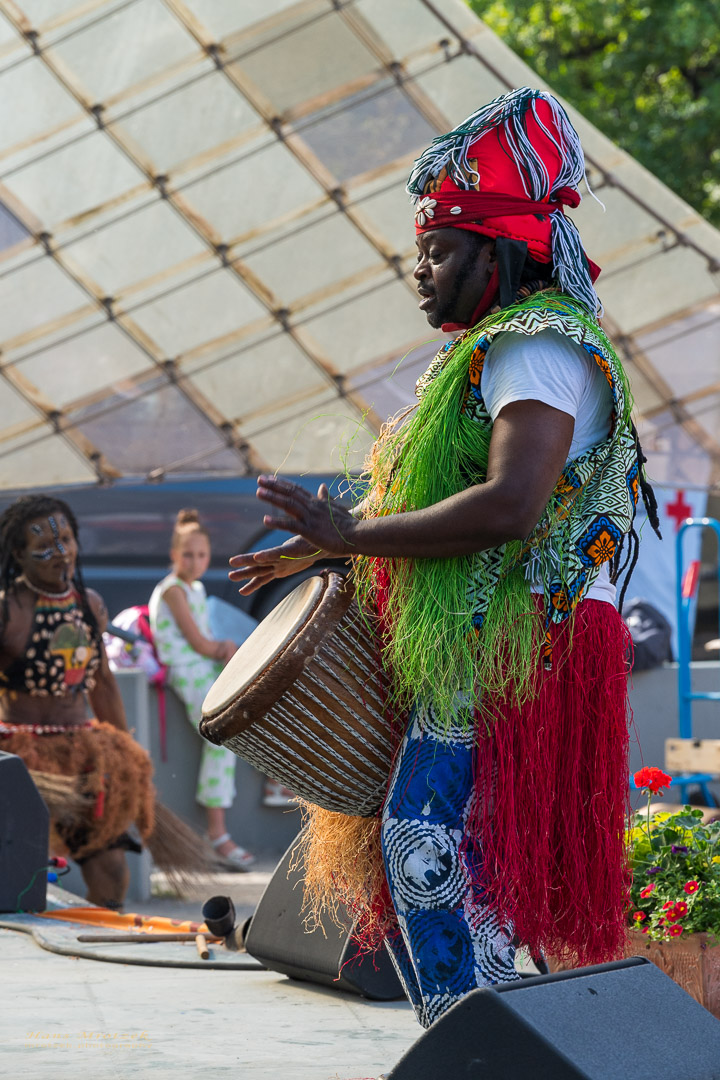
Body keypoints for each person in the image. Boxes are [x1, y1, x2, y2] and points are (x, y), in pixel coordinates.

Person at [227, 87, 661, 1028]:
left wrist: (352, 537)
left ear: (498, 249)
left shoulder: (535, 346)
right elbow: (452, 495)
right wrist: (330, 542)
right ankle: (499, 1039)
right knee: (471, 856)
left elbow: (509, 505)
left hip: (513, 643)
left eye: (437, 251)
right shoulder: (509, 347)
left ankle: (482, 1041)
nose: (418, 272)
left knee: (430, 843)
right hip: (502, 642)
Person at [0, 494, 155, 909]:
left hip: (83, 756)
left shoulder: (90, 605)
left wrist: (127, 758)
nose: (61, 552)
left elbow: (101, 683)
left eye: (66, 540)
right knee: (23, 875)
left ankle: (106, 938)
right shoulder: (7, 611)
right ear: (19, 554)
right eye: (44, 546)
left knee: (112, 873)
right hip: (21, 762)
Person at [149, 508, 254, 869]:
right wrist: (225, 648)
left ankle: (277, 780)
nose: (195, 562)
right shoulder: (173, 591)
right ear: (174, 555)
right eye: (188, 555)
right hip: (187, 669)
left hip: (204, 665)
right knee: (220, 735)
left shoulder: (196, 589)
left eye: (202, 555)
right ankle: (217, 834)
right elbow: (199, 643)